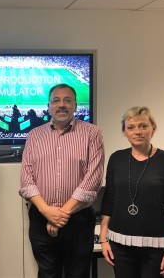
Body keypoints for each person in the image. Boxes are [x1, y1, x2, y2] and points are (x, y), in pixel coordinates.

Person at [19, 83, 104, 278]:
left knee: (79, 274)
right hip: (41, 219)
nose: (62, 105)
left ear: (75, 105)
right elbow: (26, 179)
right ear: (48, 106)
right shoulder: (34, 136)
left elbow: (93, 179)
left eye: (67, 100)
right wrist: (47, 212)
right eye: (56, 100)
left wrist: (59, 217)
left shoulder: (92, 133)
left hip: (78, 221)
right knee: (47, 274)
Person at [100, 106, 164, 278]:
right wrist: (103, 239)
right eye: (131, 127)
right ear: (124, 132)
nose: (137, 131)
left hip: (158, 248)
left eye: (143, 126)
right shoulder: (116, 158)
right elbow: (109, 200)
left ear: (154, 128)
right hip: (120, 245)